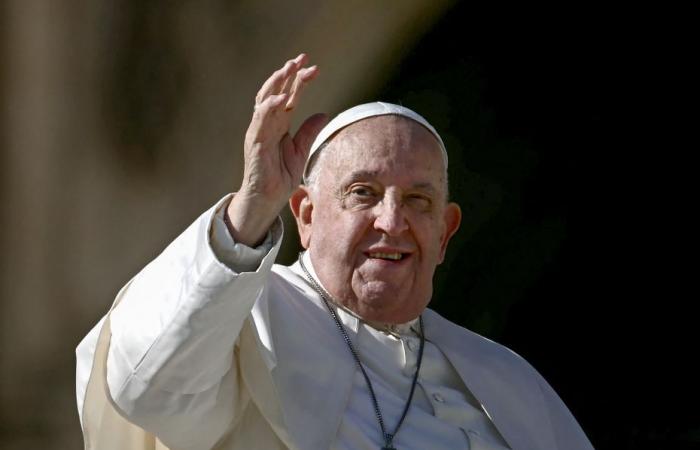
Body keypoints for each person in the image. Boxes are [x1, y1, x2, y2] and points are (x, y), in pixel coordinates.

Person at [76, 54, 594, 450]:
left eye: (418, 200)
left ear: (445, 233)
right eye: (362, 194)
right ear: (304, 215)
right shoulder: (244, 318)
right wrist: (253, 209)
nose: (391, 222)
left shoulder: (508, 381)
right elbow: (149, 390)